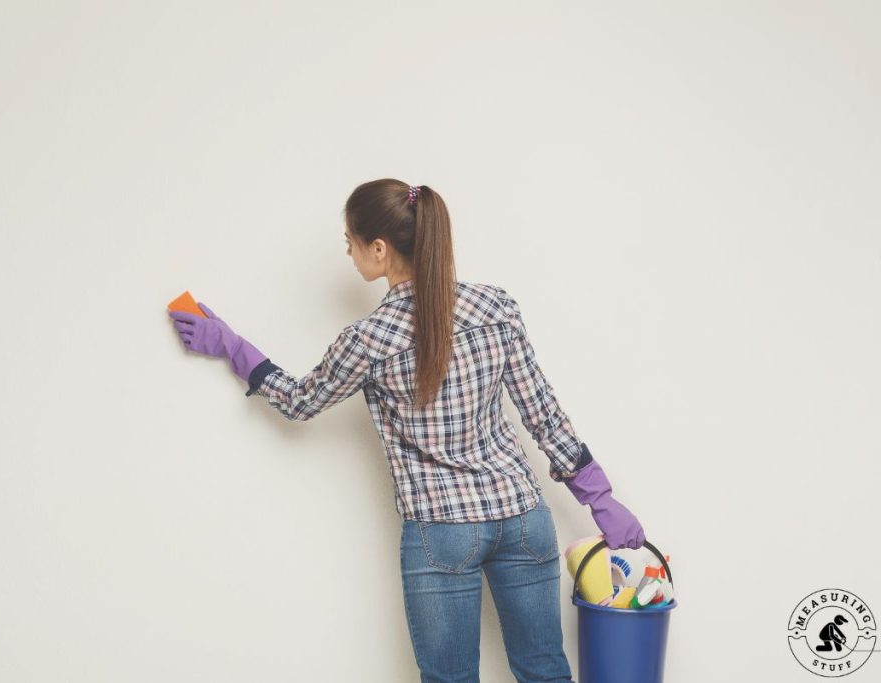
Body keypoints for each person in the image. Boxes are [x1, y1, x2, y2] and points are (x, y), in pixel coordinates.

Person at [168, 178, 646, 683]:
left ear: (379, 248)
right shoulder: (495, 308)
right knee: (546, 671)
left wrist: (232, 346)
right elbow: (542, 412)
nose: (349, 254)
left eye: (350, 242)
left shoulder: (367, 339)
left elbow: (299, 401)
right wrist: (599, 498)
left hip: (441, 528)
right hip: (522, 517)